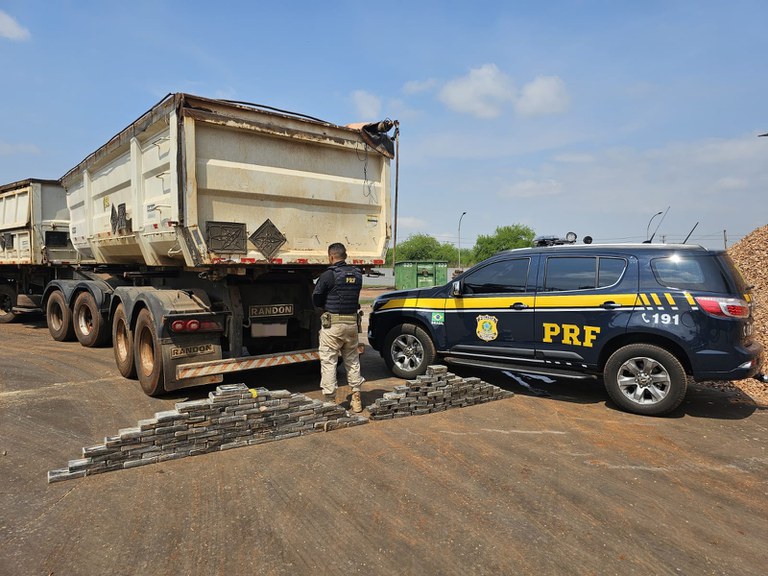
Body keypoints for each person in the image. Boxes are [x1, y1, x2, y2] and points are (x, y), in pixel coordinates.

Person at [312, 242, 364, 413]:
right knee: (352, 361)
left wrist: (322, 307)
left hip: (333, 325)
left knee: (329, 361)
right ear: (345, 255)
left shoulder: (329, 275)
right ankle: (356, 400)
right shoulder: (357, 274)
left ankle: (330, 402)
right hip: (352, 324)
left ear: (331, 256)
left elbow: (317, 297)